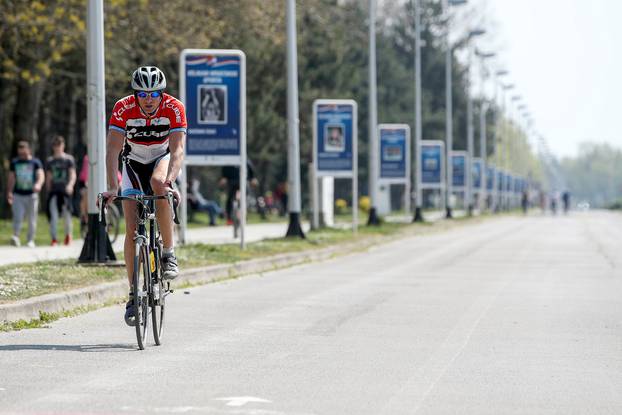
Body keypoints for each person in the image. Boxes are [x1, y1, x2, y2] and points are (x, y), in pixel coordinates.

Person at [101, 66, 186, 326]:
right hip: (133, 162)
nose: (148, 99)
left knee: (159, 184)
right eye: (142, 94)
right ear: (135, 94)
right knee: (130, 228)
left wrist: (171, 182)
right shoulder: (123, 108)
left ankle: (168, 252)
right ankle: (133, 293)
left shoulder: (173, 107)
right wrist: (112, 188)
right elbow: (113, 150)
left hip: (162, 158)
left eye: (154, 94)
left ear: (162, 94)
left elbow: (178, 149)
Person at [6, 140, 45, 248]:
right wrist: (9, 192)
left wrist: (38, 184)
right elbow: (11, 178)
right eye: (20, 153)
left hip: (32, 195)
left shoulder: (35, 162)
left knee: (32, 218)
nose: (22, 155)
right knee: (17, 217)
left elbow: (41, 175)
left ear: (28, 150)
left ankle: (30, 240)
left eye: (24, 153)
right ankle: (16, 237)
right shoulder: (15, 163)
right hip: (18, 194)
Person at [45, 136, 76, 246]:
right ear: (53, 147)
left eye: (60, 145)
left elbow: (72, 174)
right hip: (54, 192)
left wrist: (70, 185)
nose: (58, 147)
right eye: (56, 145)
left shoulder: (68, 159)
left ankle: (68, 236)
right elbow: (48, 177)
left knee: (67, 215)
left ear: (63, 146)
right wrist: (48, 190)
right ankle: (54, 238)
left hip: (65, 192)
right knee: (53, 216)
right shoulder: (50, 161)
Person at [219, 160, 257, 225]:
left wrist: (253, 179)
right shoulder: (229, 161)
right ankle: (229, 219)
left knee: (245, 199)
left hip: (244, 183)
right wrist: (223, 179)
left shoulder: (246, 160)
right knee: (230, 200)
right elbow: (224, 173)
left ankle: (244, 216)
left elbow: (251, 173)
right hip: (232, 183)